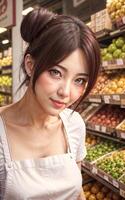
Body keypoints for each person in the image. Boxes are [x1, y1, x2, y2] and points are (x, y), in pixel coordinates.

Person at [0, 7, 100, 200]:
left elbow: (77, 192)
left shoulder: (74, 124)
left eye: (79, 80)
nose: (65, 92)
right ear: (30, 65)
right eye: (56, 72)